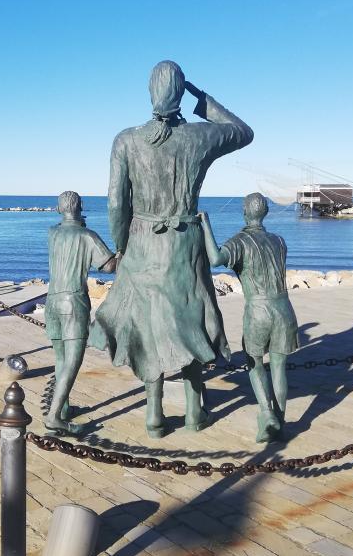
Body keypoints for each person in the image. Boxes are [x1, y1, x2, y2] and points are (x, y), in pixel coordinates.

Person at [90, 60, 254, 438]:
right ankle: (195, 412)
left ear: (150, 92)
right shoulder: (200, 136)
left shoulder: (126, 140)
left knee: (148, 325)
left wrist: (123, 247)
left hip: (143, 242)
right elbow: (243, 132)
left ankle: (154, 414)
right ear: (180, 92)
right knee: (189, 318)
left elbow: (116, 204)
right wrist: (203, 100)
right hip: (186, 243)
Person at [199, 193, 299, 442]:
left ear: (244, 212)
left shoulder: (240, 241)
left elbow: (216, 259)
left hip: (258, 310)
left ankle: (267, 414)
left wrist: (206, 226)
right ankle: (280, 421)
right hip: (284, 308)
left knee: (255, 363)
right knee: (279, 367)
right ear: (265, 213)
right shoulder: (279, 241)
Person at [44, 190, 116, 435]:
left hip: (52, 302)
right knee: (72, 361)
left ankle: (62, 409)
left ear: (59, 209)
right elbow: (108, 266)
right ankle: (54, 417)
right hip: (73, 303)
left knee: (60, 359)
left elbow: (64, 231)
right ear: (81, 206)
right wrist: (121, 254)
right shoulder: (88, 236)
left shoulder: (52, 233)